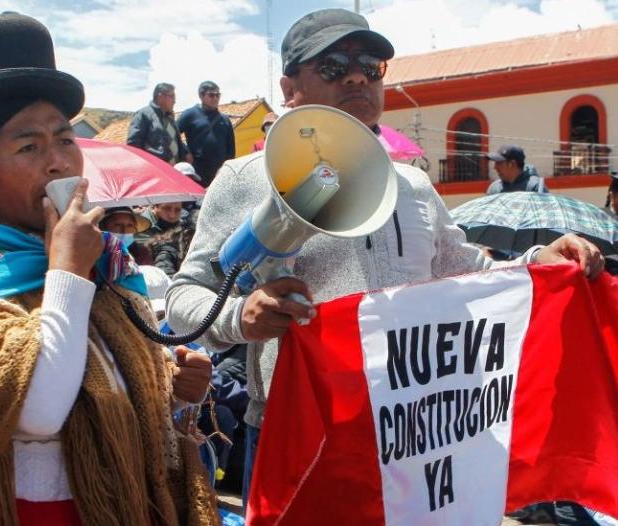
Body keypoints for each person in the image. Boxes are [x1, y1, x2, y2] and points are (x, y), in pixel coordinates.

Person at [166, 7, 605, 508]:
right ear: (289, 89)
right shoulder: (243, 178)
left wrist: (537, 263)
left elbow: (466, 274)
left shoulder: (415, 186)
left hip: (414, 433)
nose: (357, 75)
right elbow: (183, 296)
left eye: (371, 66)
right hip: (301, 436)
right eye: (332, 66)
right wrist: (238, 317)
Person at [0, 12, 217, 525]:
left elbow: (102, 384)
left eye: (64, 140)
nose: (57, 162)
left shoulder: (108, 266)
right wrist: (67, 271)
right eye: (28, 146)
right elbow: (37, 411)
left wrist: (172, 385)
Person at [177, 81, 235, 188]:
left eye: (218, 95)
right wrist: (185, 151)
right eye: (211, 95)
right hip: (197, 172)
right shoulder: (189, 114)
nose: (215, 98)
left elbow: (231, 151)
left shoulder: (225, 120)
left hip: (220, 174)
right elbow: (173, 135)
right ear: (201, 96)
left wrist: (226, 169)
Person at [126, 82, 191, 165]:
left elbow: (174, 141)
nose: (174, 101)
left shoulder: (170, 118)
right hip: (155, 169)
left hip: (174, 170)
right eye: (172, 96)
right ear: (160, 97)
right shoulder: (144, 114)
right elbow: (133, 144)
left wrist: (186, 152)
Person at [138, 201, 194, 277]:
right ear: (155, 206)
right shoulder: (141, 227)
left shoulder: (182, 226)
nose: (172, 215)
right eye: (167, 208)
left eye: (177, 210)